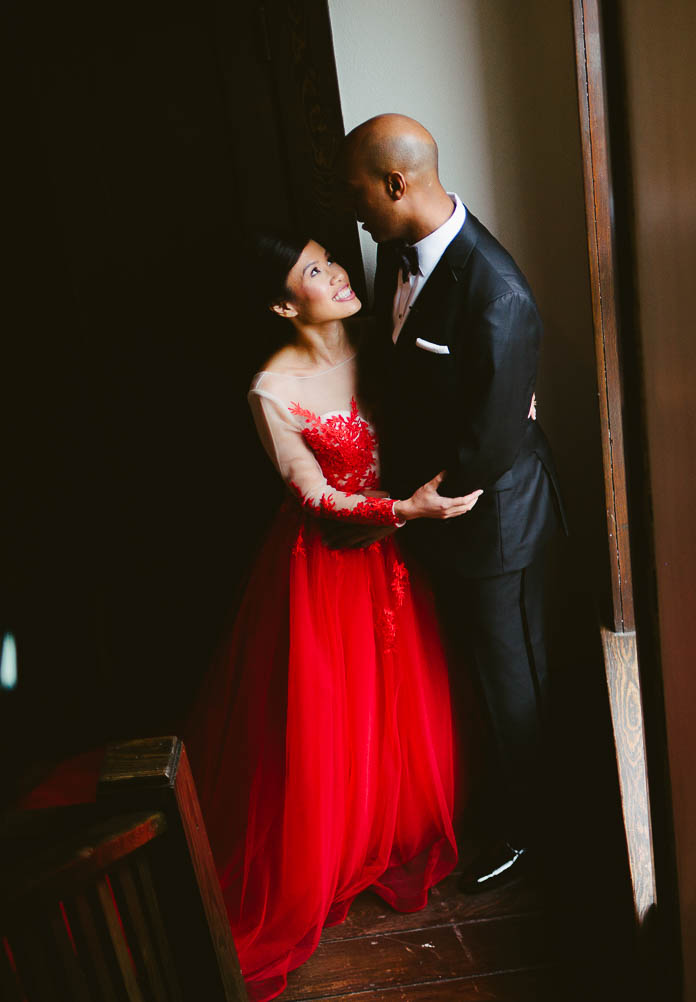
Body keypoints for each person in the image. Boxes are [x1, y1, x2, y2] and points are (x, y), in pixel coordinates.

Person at [182, 230, 481, 1002]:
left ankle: (399, 829)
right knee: (339, 714)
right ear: (286, 303)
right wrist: (402, 509)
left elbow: (439, 403)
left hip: (402, 555)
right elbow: (310, 492)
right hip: (330, 566)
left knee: (408, 696)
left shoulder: (386, 337)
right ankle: (336, 851)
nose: (340, 273)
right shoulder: (271, 388)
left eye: (332, 259)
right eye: (315, 271)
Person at [335, 113, 567, 894]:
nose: (354, 206)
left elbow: (490, 445)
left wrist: (401, 507)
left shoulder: (497, 292)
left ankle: (537, 840)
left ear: (397, 184)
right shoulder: (391, 253)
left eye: (358, 189)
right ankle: (501, 810)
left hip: (495, 528)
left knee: (513, 690)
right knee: (470, 679)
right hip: (437, 521)